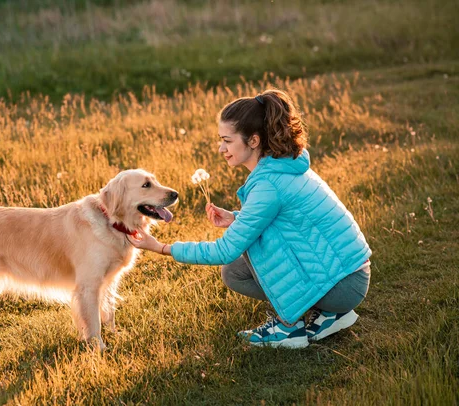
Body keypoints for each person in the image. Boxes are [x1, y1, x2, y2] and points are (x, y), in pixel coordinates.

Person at [128, 89, 371, 349]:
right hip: (349, 274)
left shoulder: (268, 185)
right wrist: (236, 218)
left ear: (253, 141)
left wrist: (161, 248)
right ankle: (327, 313)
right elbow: (289, 222)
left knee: (246, 252)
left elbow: (224, 250)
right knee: (235, 272)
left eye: (227, 141)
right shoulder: (282, 165)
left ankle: (289, 329)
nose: (221, 148)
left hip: (344, 284)